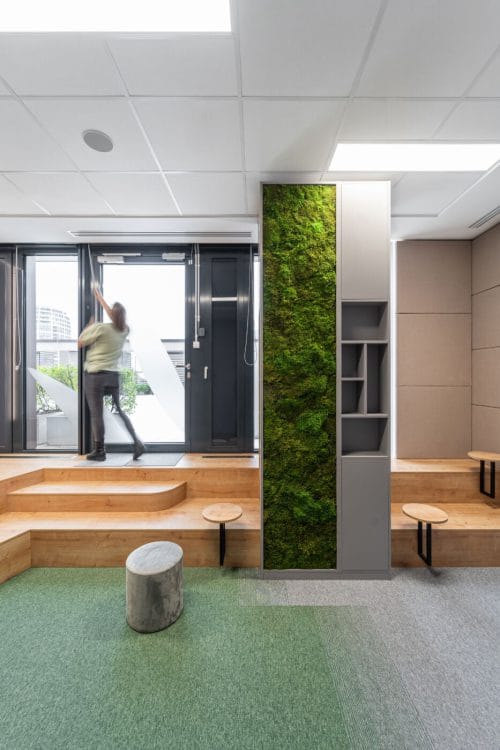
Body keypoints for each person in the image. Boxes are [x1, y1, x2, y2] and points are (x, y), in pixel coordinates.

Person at [78, 284, 145, 462]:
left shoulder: (101, 328)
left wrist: (88, 326)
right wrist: (100, 299)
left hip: (96, 376)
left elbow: (80, 342)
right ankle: (137, 442)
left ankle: (100, 451)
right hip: (113, 376)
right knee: (120, 411)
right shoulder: (124, 330)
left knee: (97, 414)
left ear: (112, 315)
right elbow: (115, 317)